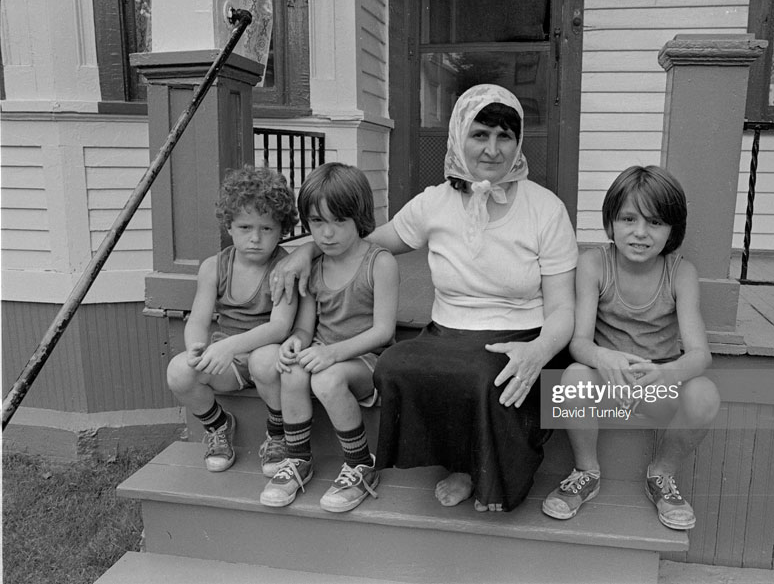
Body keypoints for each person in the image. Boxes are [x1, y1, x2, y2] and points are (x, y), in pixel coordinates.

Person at [271, 84, 578, 512]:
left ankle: (479, 472)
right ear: (458, 136)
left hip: (521, 334)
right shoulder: (434, 202)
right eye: (480, 134)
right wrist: (305, 251)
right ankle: (451, 460)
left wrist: (539, 350)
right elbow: (367, 243)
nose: (492, 149)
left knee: (488, 378)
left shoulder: (546, 209)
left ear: (518, 141)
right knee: (395, 364)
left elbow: (564, 308)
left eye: (504, 136)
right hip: (449, 332)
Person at [541, 165, 720, 530]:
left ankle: (661, 476)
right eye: (628, 218)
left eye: (655, 223)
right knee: (574, 377)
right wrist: (602, 357)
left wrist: (666, 373)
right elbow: (579, 343)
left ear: (672, 230)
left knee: (705, 395)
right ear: (610, 223)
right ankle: (586, 471)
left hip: (660, 384)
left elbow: (701, 355)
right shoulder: (594, 263)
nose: (640, 233)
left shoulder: (680, 273)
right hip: (607, 382)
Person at [251, 163, 399, 512]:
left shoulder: (379, 262)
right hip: (324, 353)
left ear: (359, 217)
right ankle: (298, 458)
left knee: (327, 380)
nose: (327, 234)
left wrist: (332, 354)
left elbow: (384, 331)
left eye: (338, 222)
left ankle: (361, 464)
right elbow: (305, 327)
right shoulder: (313, 267)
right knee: (291, 368)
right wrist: (296, 343)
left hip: (366, 360)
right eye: (317, 222)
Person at [165, 166, 298, 472]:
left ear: (282, 229)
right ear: (229, 225)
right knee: (179, 371)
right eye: (245, 227)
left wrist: (229, 347)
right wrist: (198, 349)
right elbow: (198, 319)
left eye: (266, 229)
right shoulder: (215, 267)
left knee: (263, 359)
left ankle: (278, 434)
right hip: (231, 362)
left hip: (271, 359)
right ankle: (218, 426)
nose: (255, 238)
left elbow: (280, 327)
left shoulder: (286, 267)